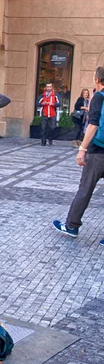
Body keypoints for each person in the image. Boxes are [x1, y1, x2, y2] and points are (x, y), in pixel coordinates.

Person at [53, 66, 104, 242]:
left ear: (97, 80)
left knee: (85, 189)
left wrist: (82, 149)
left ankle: (72, 225)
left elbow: (93, 124)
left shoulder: (98, 96)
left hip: (98, 152)